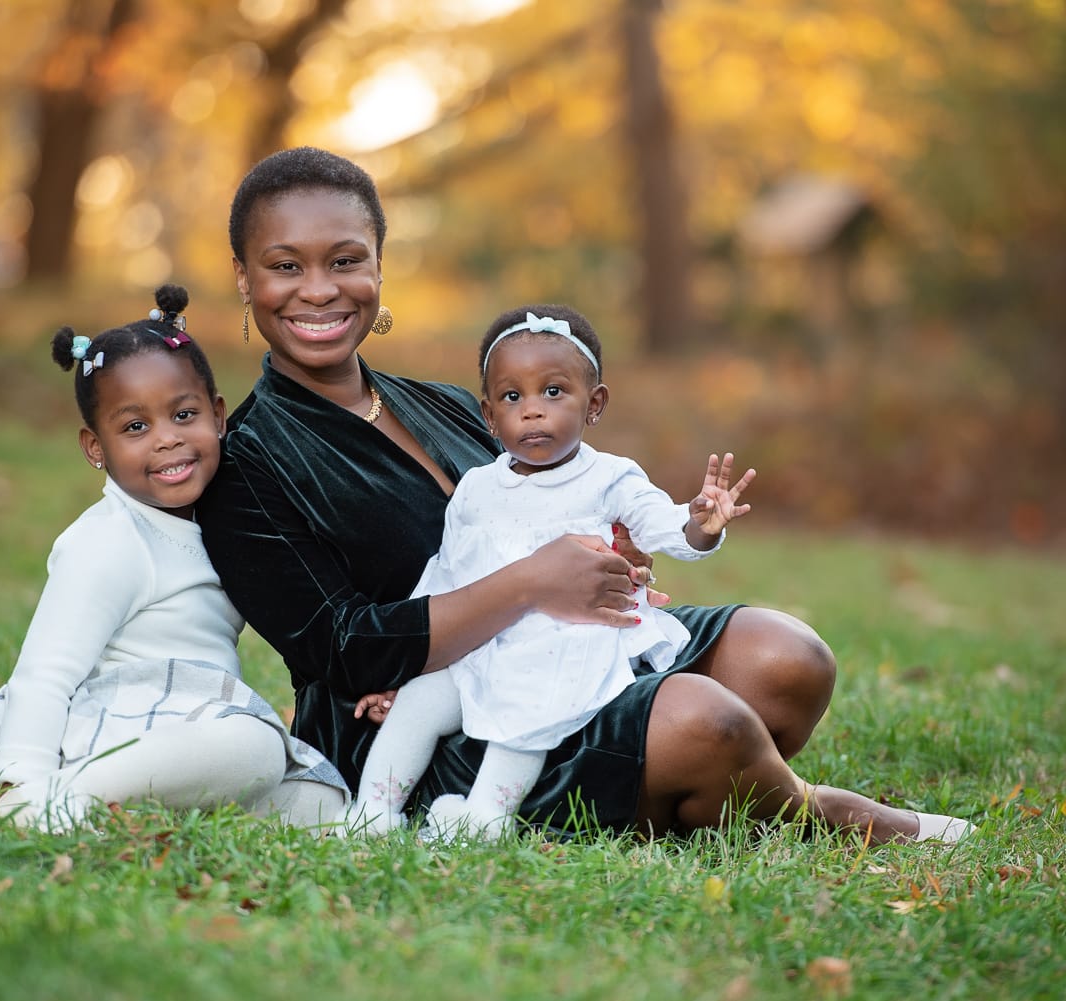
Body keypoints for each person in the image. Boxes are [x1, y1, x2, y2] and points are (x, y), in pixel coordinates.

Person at [196, 146, 973, 844]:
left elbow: (548, 504)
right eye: (286, 266)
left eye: (345, 260)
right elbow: (342, 648)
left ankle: (685, 786)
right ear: (244, 278)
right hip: (418, 713)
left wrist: (611, 560)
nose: (321, 290)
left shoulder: (452, 402)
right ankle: (823, 810)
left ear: (378, 266)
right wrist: (537, 580)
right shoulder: (248, 463)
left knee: (786, 659)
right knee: (709, 722)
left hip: (562, 648)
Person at [0, 284, 347, 832]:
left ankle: (125, 813)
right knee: (257, 748)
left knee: (324, 803)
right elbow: (44, 676)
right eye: (135, 427)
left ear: (218, 416)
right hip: (104, 726)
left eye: (184, 414)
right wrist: (21, 775)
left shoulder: (230, 519)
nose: (166, 440)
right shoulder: (108, 541)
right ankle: (56, 801)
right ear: (95, 448)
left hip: (184, 726)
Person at [344, 304, 755, 840]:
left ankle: (486, 816)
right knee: (421, 704)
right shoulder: (476, 488)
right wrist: (408, 666)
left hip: (564, 642)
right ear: (490, 417)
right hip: (482, 640)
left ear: (595, 404)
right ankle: (373, 812)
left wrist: (701, 523)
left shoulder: (609, 477)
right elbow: (446, 572)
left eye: (554, 392)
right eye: (513, 397)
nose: (533, 411)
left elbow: (663, 529)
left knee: (530, 702)